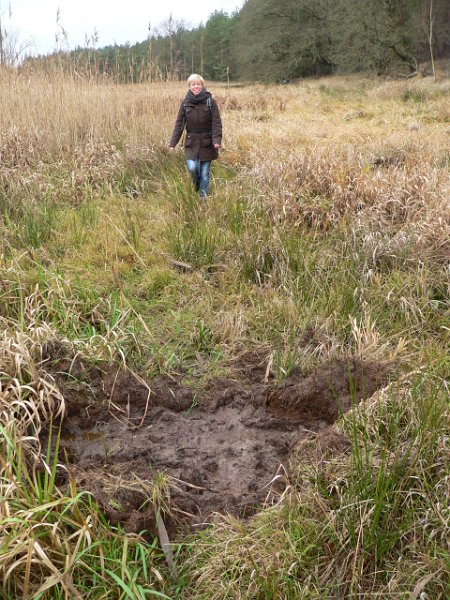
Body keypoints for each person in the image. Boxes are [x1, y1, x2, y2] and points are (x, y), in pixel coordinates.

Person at [169, 74, 222, 198]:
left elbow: (216, 123)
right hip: (191, 142)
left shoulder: (210, 101)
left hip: (207, 142)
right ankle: (197, 184)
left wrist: (216, 140)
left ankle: (202, 199)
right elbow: (179, 125)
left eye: (198, 84)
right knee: (192, 168)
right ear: (189, 86)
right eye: (193, 84)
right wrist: (172, 144)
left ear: (202, 85)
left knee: (205, 173)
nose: (196, 86)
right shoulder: (185, 103)